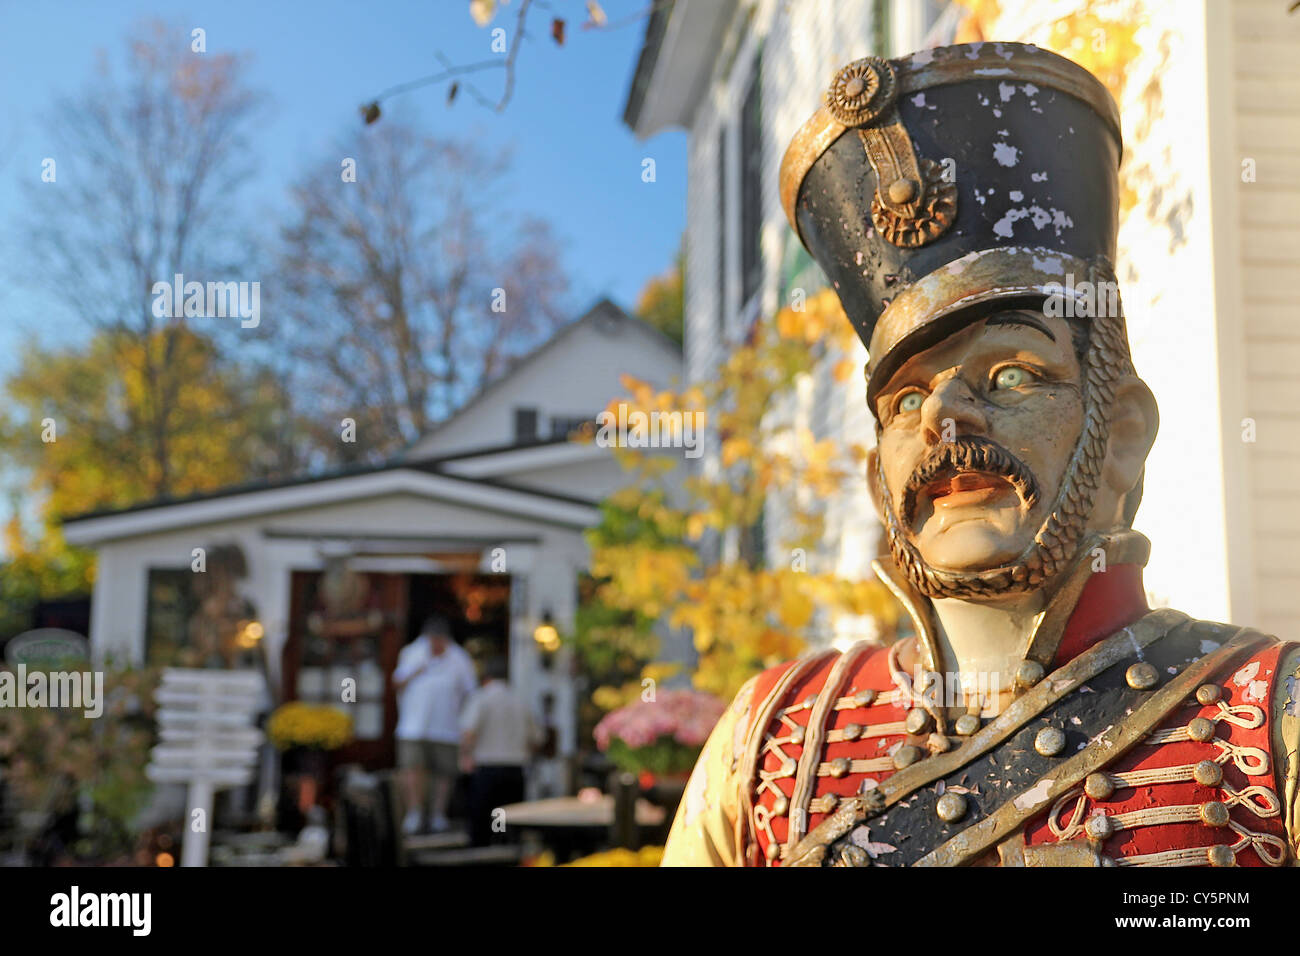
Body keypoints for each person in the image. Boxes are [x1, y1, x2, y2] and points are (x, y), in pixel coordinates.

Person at [662, 42, 1299, 867]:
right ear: (875, 475)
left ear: (1123, 432)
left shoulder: (1272, 719)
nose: (946, 421)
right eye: (905, 401)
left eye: (1010, 373)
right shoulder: (763, 744)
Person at [392, 615, 477, 834]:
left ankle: (438, 814)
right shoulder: (411, 653)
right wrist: (417, 670)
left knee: (444, 773)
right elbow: (397, 682)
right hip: (413, 726)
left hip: (447, 728)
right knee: (412, 769)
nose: (436, 644)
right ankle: (414, 813)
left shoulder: (460, 658)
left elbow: (471, 693)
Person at [459, 656, 539, 846]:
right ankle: (503, 852)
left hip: (487, 770)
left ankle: (485, 857)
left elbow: (468, 732)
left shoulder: (480, 698)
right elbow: (535, 739)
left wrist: (465, 756)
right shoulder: (520, 701)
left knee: (481, 824)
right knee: (503, 821)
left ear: (486, 678)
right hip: (514, 770)